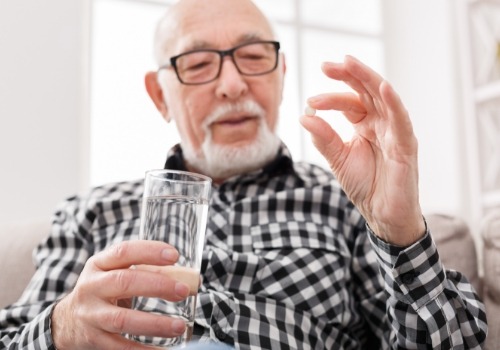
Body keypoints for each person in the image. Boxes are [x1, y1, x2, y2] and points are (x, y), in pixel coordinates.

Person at [0, 0, 487, 349]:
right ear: (159, 95)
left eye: (254, 57)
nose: (233, 85)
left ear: (281, 73)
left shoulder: (346, 203)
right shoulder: (92, 211)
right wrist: (62, 328)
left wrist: (399, 232)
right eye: (198, 64)